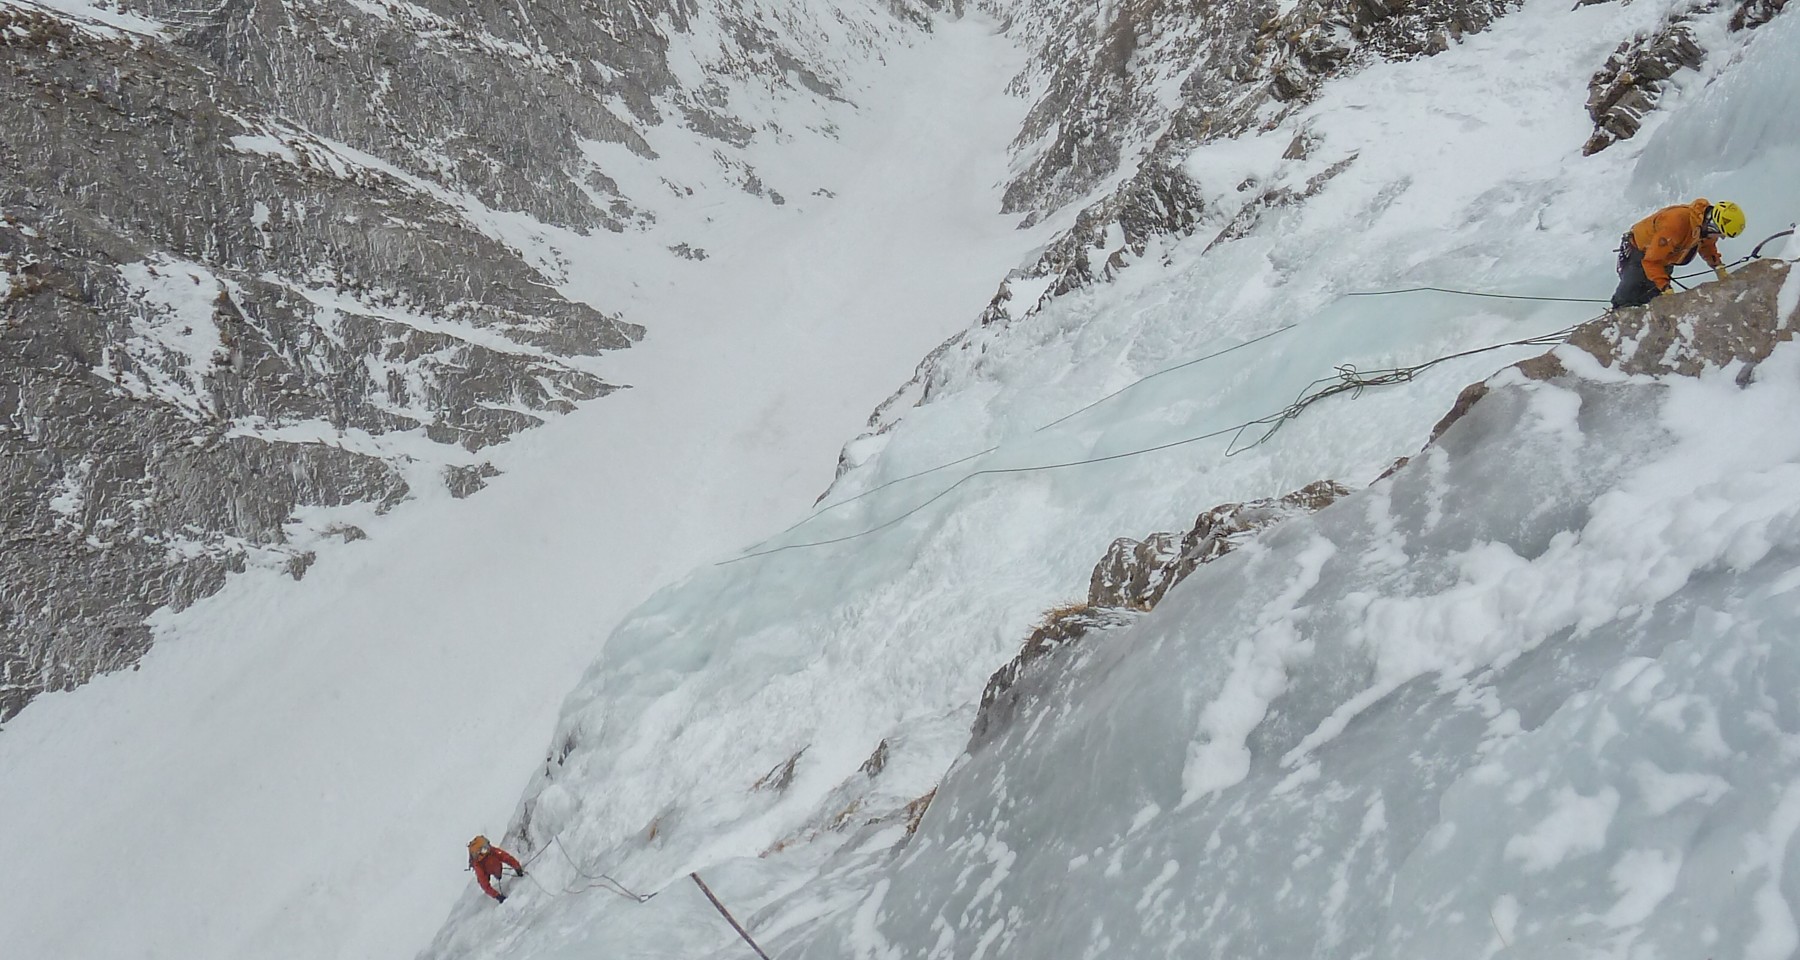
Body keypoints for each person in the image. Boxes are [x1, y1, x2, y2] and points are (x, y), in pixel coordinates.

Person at [1612, 198, 1745, 308]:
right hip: (1640, 252)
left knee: (1650, 297)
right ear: (1713, 225)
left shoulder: (1702, 226)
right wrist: (1665, 287)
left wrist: (1718, 266)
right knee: (1628, 296)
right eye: (1721, 233)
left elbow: (1707, 246)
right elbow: (1651, 261)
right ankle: (1616, 317)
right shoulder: (1676, 223)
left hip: (1665, 257)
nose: (1721, 237)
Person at [468, 834, 525, 904]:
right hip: (491, 869)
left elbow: (506, 857)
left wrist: (517, 867)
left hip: (494, 867)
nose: (488, 849)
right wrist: (497, 896)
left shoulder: (492, 851)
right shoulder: (479, 866)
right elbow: (485, 885)